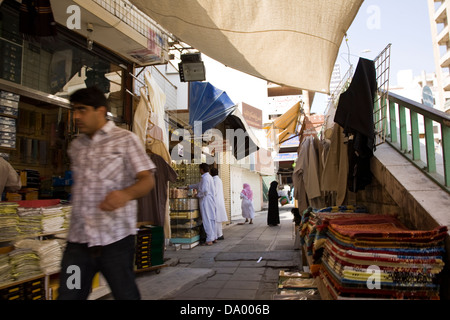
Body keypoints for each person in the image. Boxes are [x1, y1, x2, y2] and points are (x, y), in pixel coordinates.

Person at [58, 87, 155, 300]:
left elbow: (147, 180)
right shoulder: (76, 147)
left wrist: (125, 194)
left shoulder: (125, 140)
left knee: (125, 295)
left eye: (82, 110)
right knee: (69, 295)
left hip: (115, 242)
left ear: (100, 111)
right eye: (74, 110)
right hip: (78, 244)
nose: (76, 116)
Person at [188, 163, 216, 245]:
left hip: (205, 200)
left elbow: (204, 190)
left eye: (200, 169)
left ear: (202, 169)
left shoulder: (205, 178)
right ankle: (213, 237)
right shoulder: (208, 177)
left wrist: (198, 195)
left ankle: (209, 239)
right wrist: (189, 186)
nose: (199, 170)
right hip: (209, 200)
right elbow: (199, 185)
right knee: (211, 218)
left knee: (206, 219)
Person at [210, 167, 228, 240]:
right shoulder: (219, 180)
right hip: (219, 201)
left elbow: (214, 192)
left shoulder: (214, 180)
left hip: (216, 202)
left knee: (216, 219)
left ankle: (218, 235)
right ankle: (220, 234)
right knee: (219, 220)